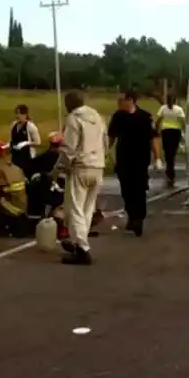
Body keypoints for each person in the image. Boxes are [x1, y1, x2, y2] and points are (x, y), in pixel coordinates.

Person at [48, 90, 109, 265]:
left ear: (69, 104)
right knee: (87, 209)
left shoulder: (74, 119)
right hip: (98, 166)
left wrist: (56, 171)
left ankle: (82, 248)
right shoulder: (98, 118)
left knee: (75, 209)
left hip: (80, 168)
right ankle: (79, 242)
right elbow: (105, 142)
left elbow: (69, 149)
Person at [108, 90, 158, 237]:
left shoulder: (145, 117)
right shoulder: (118, 116)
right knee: (126, 189)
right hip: (123, 158)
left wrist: (157, 157)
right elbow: (111, 136)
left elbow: (153, 138)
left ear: (131, 100)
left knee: (140, 189)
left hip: (141, 159)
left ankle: (139, 218)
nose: (119, 102)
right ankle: (131, 214)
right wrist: (105, 150)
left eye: (122, 99)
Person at [155, 93, 187, 186]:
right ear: (175, 100)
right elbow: (183, 121)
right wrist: (184, 130)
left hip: (166, 131)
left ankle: (169, 169)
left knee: (167, 152)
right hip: (176, 132)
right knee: (172, 152)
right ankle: (171, 169)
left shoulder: (163, 108)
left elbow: (159, 120)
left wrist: (156, 129)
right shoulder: (179, 109)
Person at [8, 104, 42, 169]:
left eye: (19, 114)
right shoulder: (13, 125)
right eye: (16, 113)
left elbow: (38, 142)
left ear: (25, 114)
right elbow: (11, 141)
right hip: (15, 158)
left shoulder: (30, 126)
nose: (17, 116)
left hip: (27, 158)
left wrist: (26, 143)